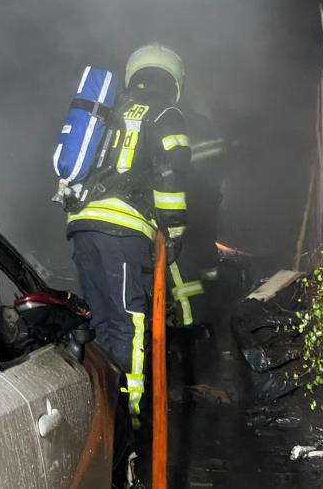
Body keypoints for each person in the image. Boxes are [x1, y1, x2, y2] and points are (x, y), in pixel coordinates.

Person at [66, 43, 201, 428]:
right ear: (174, 80)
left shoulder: (111, 107)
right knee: (130, 322)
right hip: (123, 232)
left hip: (83, 225)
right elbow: (171, 172)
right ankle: (132, 420)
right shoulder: (167, 112)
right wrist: (174, 230)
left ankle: (100, 409)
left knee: (100, 322)